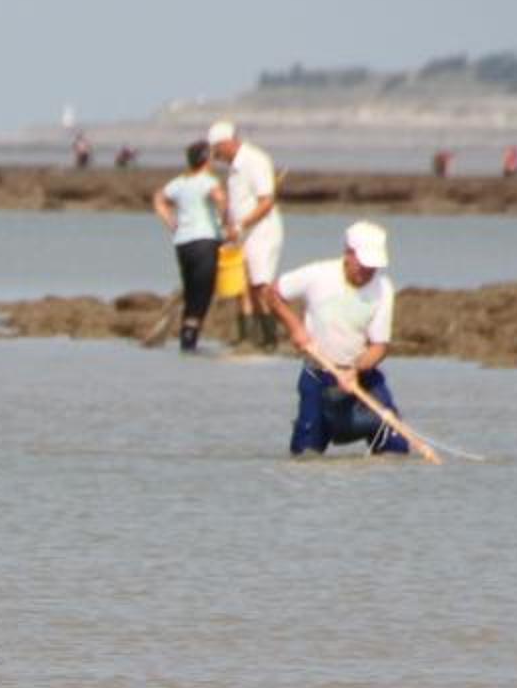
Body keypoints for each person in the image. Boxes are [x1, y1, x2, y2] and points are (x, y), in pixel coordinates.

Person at [265, 221, 409, 457]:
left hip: (360, 374)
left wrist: (355, 370)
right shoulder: (318, 274)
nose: (368, 272)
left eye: (373, 266)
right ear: (348, 253)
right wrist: (296, 327)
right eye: (363, 264)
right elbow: (272, 293)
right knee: (306, 455)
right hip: (319, 374)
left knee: (395, 440)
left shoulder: (383, 288)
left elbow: (379, 346)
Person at [207, 119, 282, 346]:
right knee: (242, 285)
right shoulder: (234, 168)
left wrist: (241, 225)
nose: (215, 155)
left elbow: (266, 201)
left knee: (260, 284)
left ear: (227, 142)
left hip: (262, 232)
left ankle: (270, 338)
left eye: (217, 149)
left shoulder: (255, 160)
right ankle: (247, 337)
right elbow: (237, 203)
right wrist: (229, 225)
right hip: (242, 235)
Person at [151, 139, 226, 352]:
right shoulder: (208, 181)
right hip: (205, 240)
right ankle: (189, 343)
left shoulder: (180, 182)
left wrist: (172, 223)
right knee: (202, 294)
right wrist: (225, 222)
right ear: (205, 159)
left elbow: (158, 199)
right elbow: (220, 199)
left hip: (183, 243)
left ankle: (187, 342)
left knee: (191, 291)